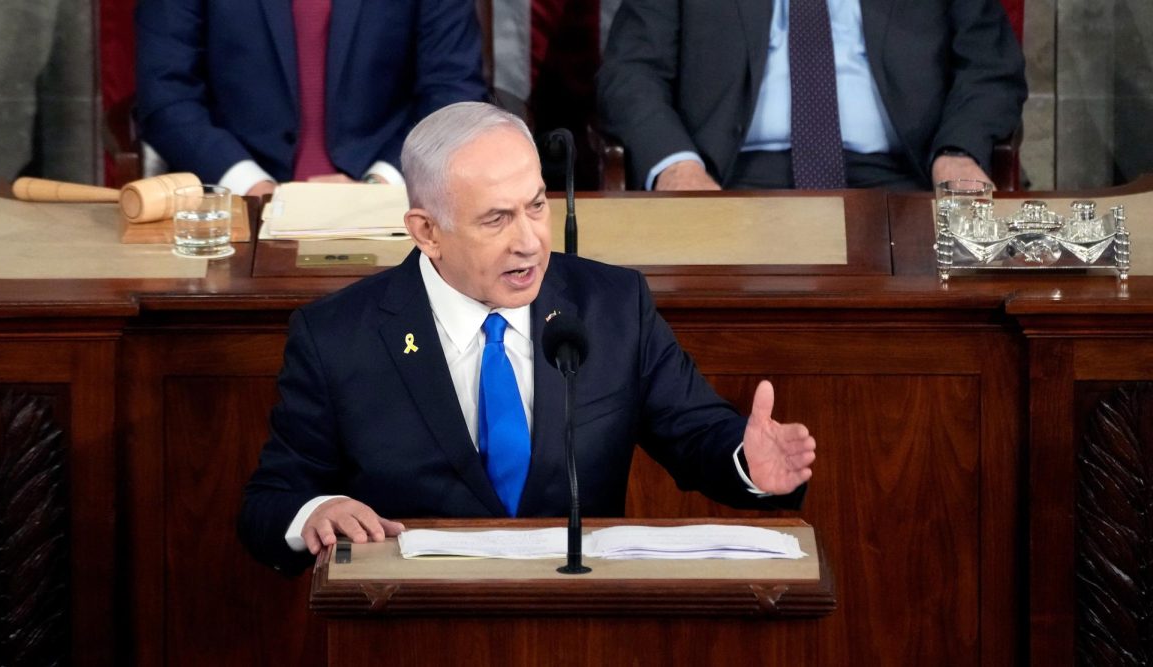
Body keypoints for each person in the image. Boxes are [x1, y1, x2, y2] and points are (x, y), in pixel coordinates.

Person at [238, 102, 817, 574]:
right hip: (413, 629)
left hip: (580, 626)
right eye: (496, 219)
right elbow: (269, 504)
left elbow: (697, 435)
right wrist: (316, 511)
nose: (530, 242)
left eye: (536, 206)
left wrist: (747, 461)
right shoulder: (340, 336)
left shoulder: (612, 305)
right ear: (426, 232)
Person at [597, 0, 1027, 191]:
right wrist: (677, 168)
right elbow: (630, 72)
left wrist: (957, 152)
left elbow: (990, 66)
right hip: (727, 184)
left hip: (904, 183)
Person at [135, 0, 487, 197]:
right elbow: (166, 96)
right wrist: (254, 189)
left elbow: (453, 92)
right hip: (235, 208)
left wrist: (378, 187)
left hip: (396, 201)